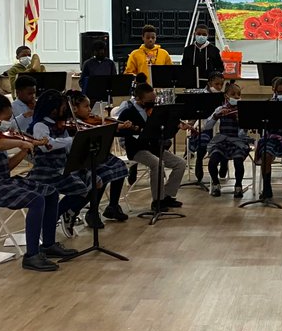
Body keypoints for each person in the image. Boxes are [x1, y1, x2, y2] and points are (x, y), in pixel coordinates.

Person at [0, 94, 72, 272]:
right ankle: (31, 255)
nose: (9, 122)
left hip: (3, 181)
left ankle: (48, 244)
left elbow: (6, 167)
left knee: (50, 192)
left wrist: (26, 149)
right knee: (36, 199)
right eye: (7, 118)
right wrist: (21, 141)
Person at [114, 82, 188, 213]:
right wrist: (131, 129)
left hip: (154, 147)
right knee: (157, 163)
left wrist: (176, 126)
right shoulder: (128, 113)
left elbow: (163, 129)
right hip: (137, 150)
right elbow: (120, 132)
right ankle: (157, 200)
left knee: (180, 163)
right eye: (149, 101)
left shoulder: (156, 112)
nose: (152, 104)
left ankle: (167, 195)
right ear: (138, 99)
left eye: (154, 101)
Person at [27, 90, 92, 235]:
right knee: (80, 188)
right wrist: (72, 140)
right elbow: (46, 146)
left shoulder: (60, 125)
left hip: (62, 167)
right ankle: (53, 218)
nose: (65, 110)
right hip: (46, 172)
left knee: (87, 186)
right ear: (53, 109)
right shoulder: (40, 126)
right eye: (63, 106)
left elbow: (67, 147)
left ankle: (59, 214)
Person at [67, 90, 132, 223]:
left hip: (98, 155)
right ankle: (93, 211)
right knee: (102, 174)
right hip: (85, 159)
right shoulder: (72, 124)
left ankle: (113, 206)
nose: (90, 110)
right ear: (74, 108)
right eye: (86, 106)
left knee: (120, 166)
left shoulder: (89, 121)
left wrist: (117, 126)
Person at [204, 80, 251, 198]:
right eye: (233, 94)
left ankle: (238, 186)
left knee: (238, 162)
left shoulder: (243, 110)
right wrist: (216, 116)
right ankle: (215, 184)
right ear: (226, 96)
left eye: (238, 95)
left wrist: (242, 122)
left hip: (238, 142)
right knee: (213, 161)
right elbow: (207, 126)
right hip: (222, 141)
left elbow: (242, 135)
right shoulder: (220, 109)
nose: (236, 97)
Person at [188, 71, 227, 186]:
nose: (219, 87)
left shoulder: (224, 96)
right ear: (210, 83)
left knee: (226, 139)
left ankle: (224, 162)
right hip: (204, 127)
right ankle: (199, 162)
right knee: (202, 140)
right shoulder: (201, 96)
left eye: (221, 84)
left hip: (220, 128)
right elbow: (193, 115)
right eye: (217, 84)